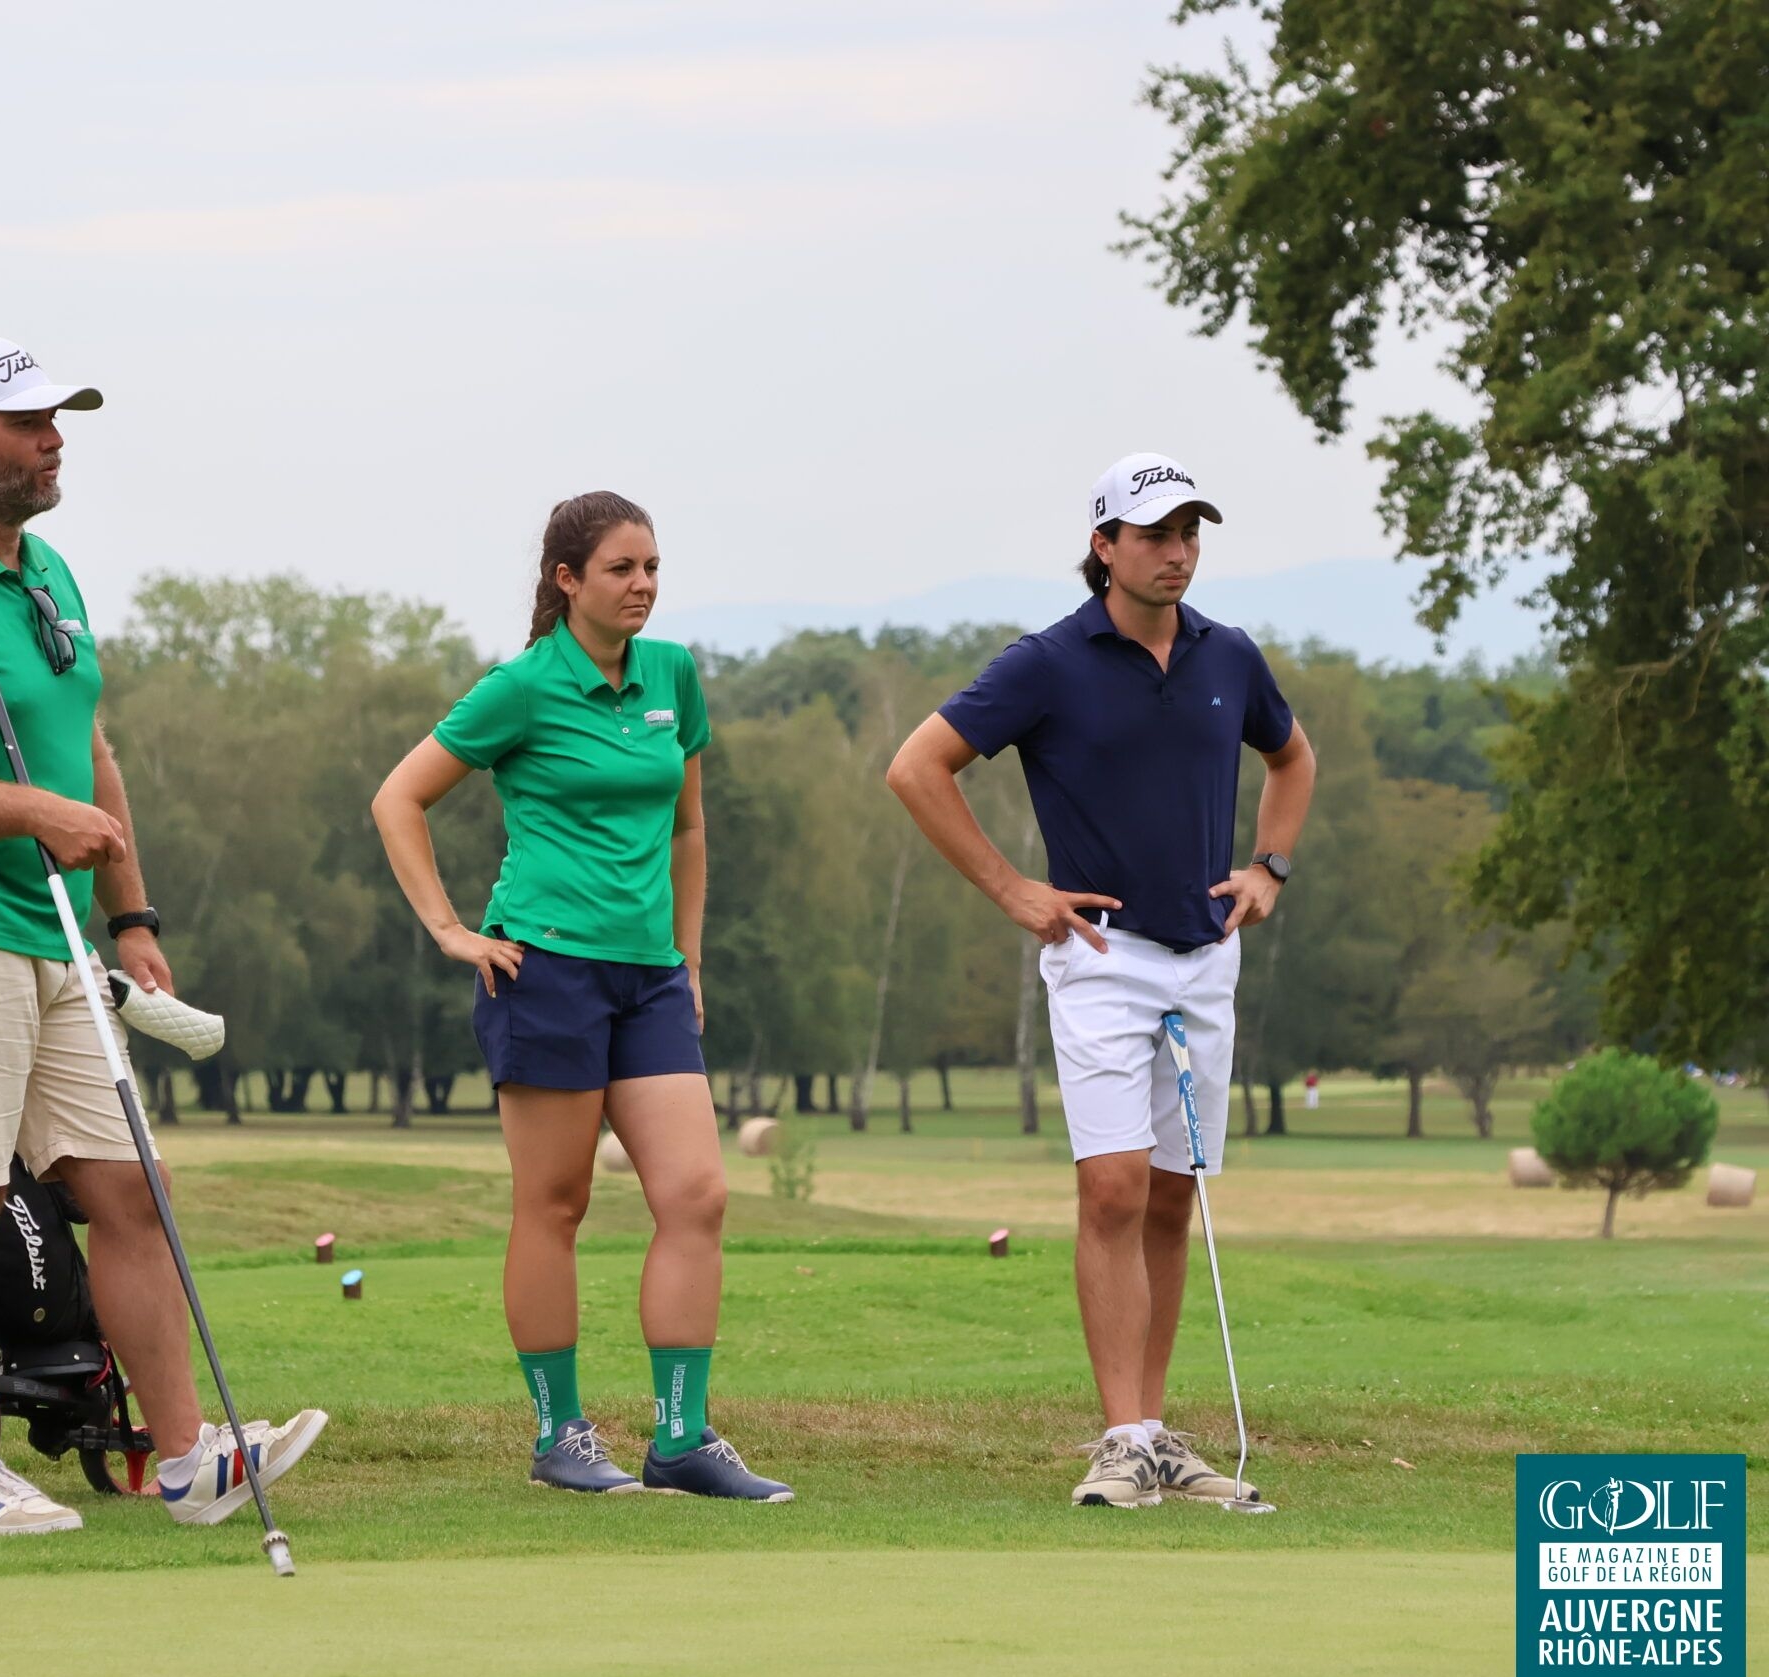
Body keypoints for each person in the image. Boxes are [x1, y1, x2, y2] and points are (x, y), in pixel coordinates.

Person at [0, 336, 325, 1534]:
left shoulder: (45, 572)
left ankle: (187, 1460)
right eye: (28, 422)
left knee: (129, 1191)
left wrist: (131, 913)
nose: (55, 440)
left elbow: (89, 754)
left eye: (59, 419)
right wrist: (33, 814)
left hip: (51, 934)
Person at [884, 452, 1316, 1509]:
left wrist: (1269, 867)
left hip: (1206, 958)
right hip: (1101, 959)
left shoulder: (1228, 653)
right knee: (1112, 1186)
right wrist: (1012, 889)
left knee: (1171, 1195)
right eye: (1156, 534)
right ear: (1104, 546)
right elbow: (916, 767)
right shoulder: (1046, 663)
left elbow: (1293, 758)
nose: (1178, 552)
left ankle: (1155, 1435)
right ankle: (1122, 1437)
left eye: (1190, 533)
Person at [371, 491, 790, 1501]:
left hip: (650, 978)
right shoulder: (521, 688)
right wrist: (449, 928)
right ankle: (560, 1436)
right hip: (543, 972)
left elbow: (689, 828)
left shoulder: (673, 675)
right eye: (621, 569)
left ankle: (680, 1440)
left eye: (652, 568)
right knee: (554, 1205)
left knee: (697, 1194)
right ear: (567, 581)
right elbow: (399, 797)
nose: (643, 585)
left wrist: (689, 958)